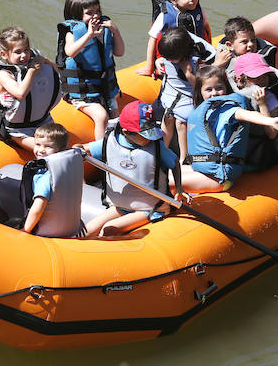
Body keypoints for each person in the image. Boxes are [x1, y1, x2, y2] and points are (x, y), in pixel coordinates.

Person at [179, 66, 278, 194]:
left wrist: (270, 121)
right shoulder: (205, 111)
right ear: (200, 91)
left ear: (226, 87)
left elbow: (241, 114)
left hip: (222, 175)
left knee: (165, 180)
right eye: (208, 89)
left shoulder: (226, 107)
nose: (214, 93)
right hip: (212, 168)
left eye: (219, 88)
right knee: (169, 171)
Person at [79, 101, 185, 237]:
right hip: (122, 206)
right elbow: (83, 148)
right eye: (144, 135)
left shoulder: (157, 147)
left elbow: (175, 163)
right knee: (87, 230)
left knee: (108, 229)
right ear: (126, 132)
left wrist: (179, 188)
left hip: (152, 208)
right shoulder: (110, 142)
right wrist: (78, 150)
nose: (149, 139)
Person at [56, 0, 125, 140]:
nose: (96, 15)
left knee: (115, 114)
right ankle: (101, 152)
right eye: (89, 13)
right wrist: (89, 35)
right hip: (82, 94)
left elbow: (120, 52)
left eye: (98, 11)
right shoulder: (72, 31)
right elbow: (70, 52)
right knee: (101, 116)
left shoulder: (104, 29)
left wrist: (115, 31)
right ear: (75, 15)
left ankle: (115, 144)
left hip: (104, 88)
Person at [0, 27, 61, 152]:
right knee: (51, 150)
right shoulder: (3, 74)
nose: (24, 55)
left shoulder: (30, 65)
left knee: (62, 144)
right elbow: (20, 94)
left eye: (26, 50)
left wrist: (45, 60)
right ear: (4, 54)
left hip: (42, 121)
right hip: (16, 130)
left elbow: (56, 73)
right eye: (18, 52)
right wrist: (31, 72)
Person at [137, 0, 212, 77]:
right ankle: (157, 65)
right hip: (171, 55)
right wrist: (150, 67)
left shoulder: (200, 12)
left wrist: (207, 56)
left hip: (194, 53)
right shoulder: (164, 16)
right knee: (163, 68)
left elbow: (206, 31)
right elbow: (153, 39)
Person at [154, 27, 211, 162]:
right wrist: (158, 61)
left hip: (188, 96)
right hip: (172, 95)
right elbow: (164, 60)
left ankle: (183, 157)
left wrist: (188, 74)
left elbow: (200, 85)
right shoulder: (170, 54)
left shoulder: (194, 61)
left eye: (170, 58)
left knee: (181, 122)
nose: (167, 59)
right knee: (167, 117)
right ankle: (163, 150)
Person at [21, 123, 86, 237]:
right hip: (70, 229)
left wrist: (25, 231)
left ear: (62, 149)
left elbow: (38, 206)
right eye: (37, 144)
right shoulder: (67, 170)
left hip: (46, 233)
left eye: (48, 146)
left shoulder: (46, 176)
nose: (41, 150)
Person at [232, 52, 278, 170]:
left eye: (265, 75)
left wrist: (263, 105)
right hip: (238, 154)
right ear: (240, 79)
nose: (263, 80)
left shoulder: (269, 98)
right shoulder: (232, 93)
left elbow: (272, 133)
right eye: (256, 77)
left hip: (260, 157)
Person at [215, 16, 278, 84]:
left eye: (253, 40)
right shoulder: (223, 57)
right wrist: (217, 65)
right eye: (244, 42)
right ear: (230, 45)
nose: (251, 44)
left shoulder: (264, 56)